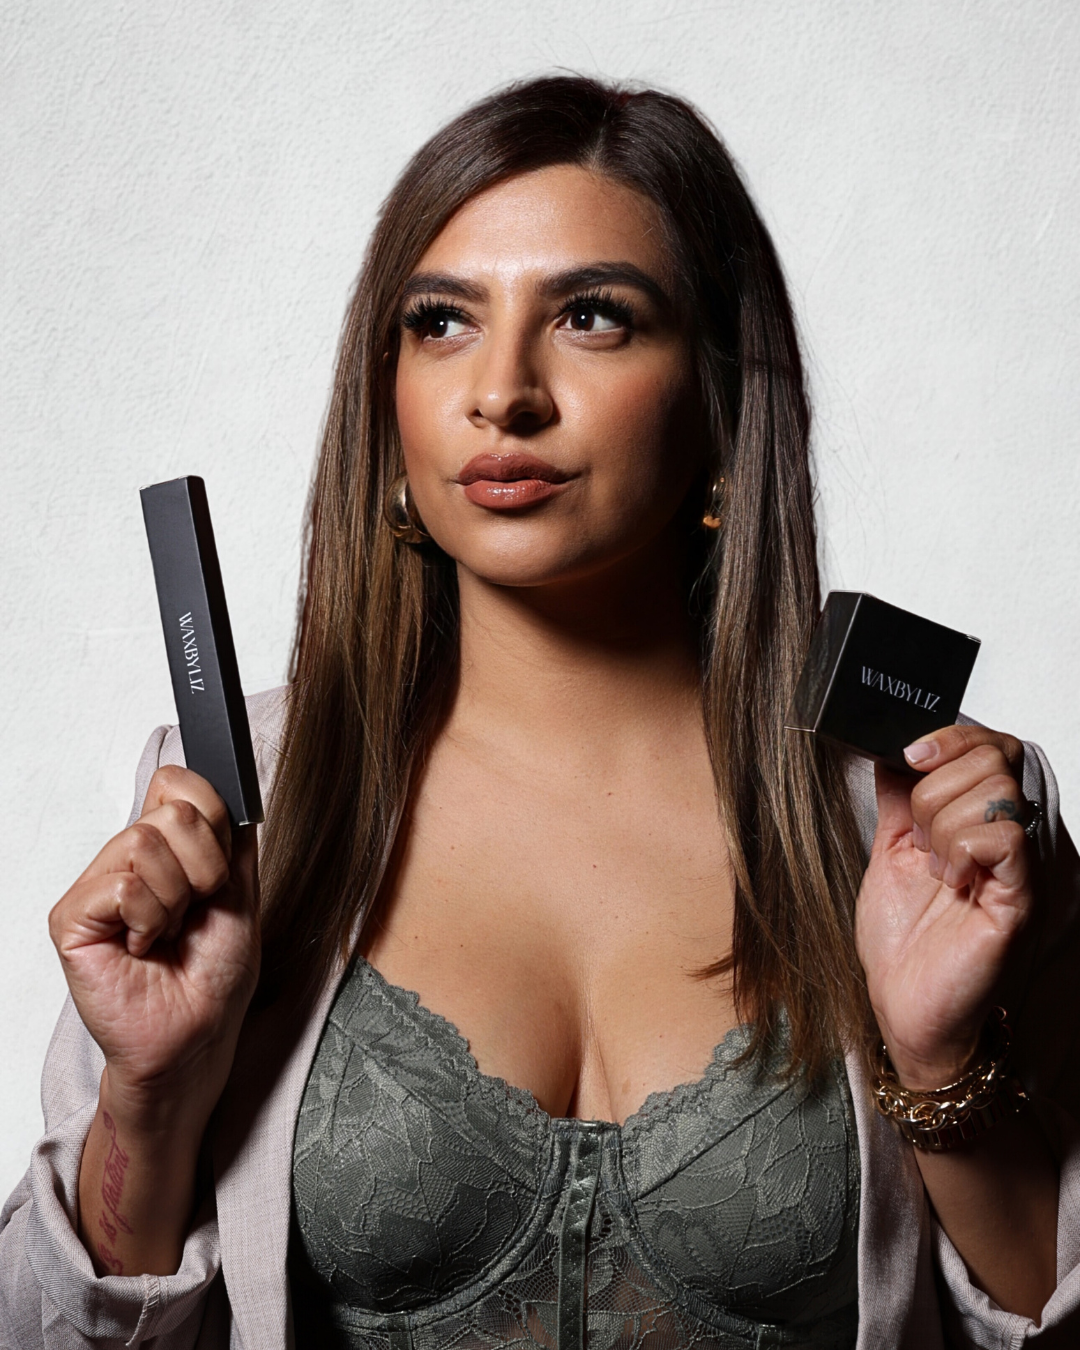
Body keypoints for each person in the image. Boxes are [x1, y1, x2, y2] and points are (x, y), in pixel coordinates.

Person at [2, 75, 1079, 1350]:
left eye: (592, 316)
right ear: (388, 401)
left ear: (724, 402)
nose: (502, 392)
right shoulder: (247, 794)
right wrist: (149, 1098)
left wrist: (941, 1063)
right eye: (443, 322)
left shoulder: (919, 826)